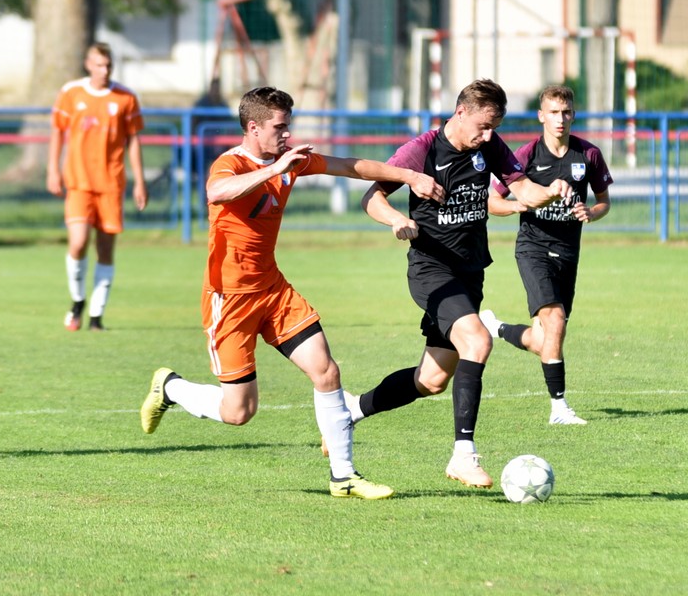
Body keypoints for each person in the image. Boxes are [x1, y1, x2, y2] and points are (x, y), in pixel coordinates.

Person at [139, 86, 445, 500]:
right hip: (229, 298)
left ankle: (344, 476)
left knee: (326, 371)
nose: (287, 134)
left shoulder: (291, 161)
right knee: (239, 412)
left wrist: (409, 175)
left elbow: (351, 166)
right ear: (253, 128)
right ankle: (170, 386)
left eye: (288, 126)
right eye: (279, 127)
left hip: (273, 289)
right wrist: (276, 167)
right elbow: (217, 193)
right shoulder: (229, 164)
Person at [338, 79, 572, 489]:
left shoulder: (490, 146)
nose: (487, 136)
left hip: (469, 272)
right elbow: (371, 198)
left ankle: (350, 411)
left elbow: (522, 190)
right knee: (478, 341)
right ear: (461, 112)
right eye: (482, 126)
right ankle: (464, 454)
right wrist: (398, 220)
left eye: (493, 128)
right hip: (431, 270)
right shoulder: (422, 149)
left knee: (431, 380)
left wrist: (550, 191)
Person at [479, 84, 613, 425]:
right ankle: (559, 408)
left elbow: (603, 202)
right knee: (554, 322)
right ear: (541, 116)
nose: (560, 119)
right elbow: (492, 202)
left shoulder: (589, 155)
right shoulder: (525, 156)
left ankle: (496, 328)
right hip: (533, 248)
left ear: (573, 115)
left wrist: (591, 213)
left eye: (566, 112)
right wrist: (517, 205)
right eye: (553, 112)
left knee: (545, 338)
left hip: (569, 252)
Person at [46, 42, 148, 332]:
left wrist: (140, 181)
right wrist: (52, 169)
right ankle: (78, 299)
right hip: (78, 182)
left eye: (108, 66)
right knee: (78, 242)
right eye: (99, 65)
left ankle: (96, 317)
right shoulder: (71, 92)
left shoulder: (125, 97)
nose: (104, 71)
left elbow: (134, 141)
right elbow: (57, 131)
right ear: (87, 64)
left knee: (105, 249)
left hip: (111, 184)